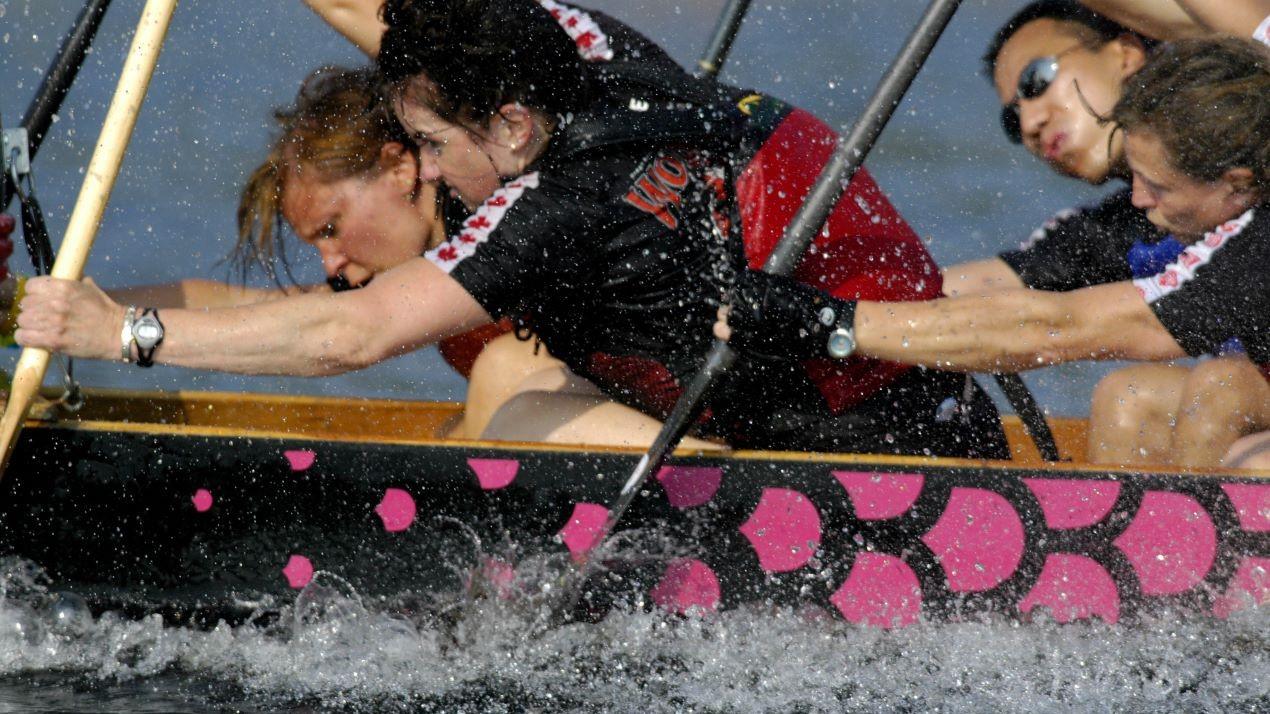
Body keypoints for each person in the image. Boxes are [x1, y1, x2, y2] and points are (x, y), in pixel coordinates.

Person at [14, 0, 1010, 458]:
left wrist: (124, 339)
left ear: (506, 130)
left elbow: (344, 336)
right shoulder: (605, 82)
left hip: (847, 463)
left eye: (432, 147)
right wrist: (35, 310)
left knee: (506, 395)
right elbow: (406, 31)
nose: (436, 171)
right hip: (920, 419)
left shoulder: (547, 207)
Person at [717, 36, 1268, 471]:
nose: (1140, 201)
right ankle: (1136, 580)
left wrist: (833, 324)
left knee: (1220, 389)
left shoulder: (1254, 246)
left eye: (1158, 187)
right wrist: (817, 299)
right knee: (1129, 395)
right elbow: (987, 296)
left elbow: (1065, 326)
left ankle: (1198, 595)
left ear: (1237, 184)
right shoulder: (1212, 206)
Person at [941, 0, 1269, 468]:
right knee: (1126, 396)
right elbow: (951, 291)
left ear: (1127, 52)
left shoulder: (1251, 120)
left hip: (1234, 394)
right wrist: (826, 308)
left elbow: (1233, 18)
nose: (1031, 123)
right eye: (1012, 120)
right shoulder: (1119, 225)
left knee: (1220, 389)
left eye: (1036, 81)